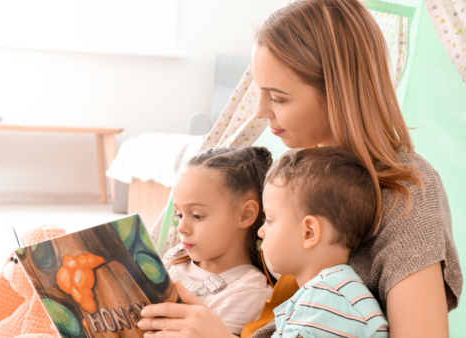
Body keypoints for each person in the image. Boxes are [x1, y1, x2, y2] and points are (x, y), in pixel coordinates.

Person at [137, 0, 462, 337]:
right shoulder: (293, 171)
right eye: (260, 93)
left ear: (338, 92)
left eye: (278, 98)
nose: (261, 110)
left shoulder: (407, 193)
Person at [261, 146, 388, 337]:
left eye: (269, 220)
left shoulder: (321, 304)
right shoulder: (334, 295)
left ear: (309, 233)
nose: (261, 231)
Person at [164, 146, 275, 335]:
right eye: (179, 214)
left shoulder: (248, 293)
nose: (181, 227)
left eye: (197, 216)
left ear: (245, 214)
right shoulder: (176, 256)